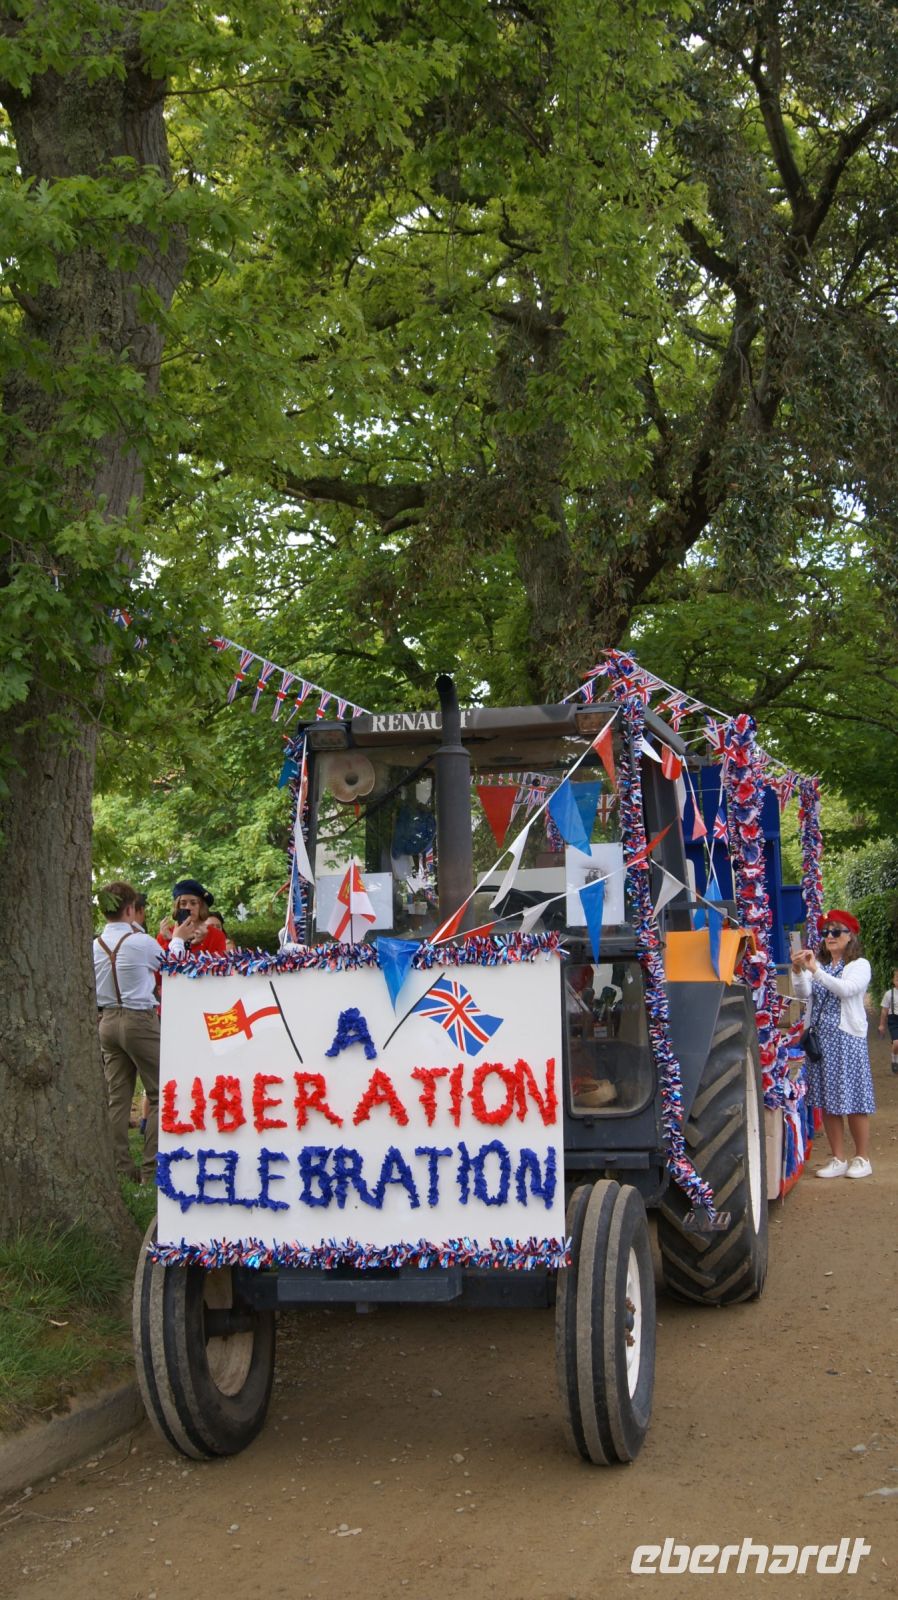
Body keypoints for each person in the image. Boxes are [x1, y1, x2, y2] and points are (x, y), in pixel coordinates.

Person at [94, 881, 185, 1183]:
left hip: (106, 1021)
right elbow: (173, 965)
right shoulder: (141, 941)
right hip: (139, 1020)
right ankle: (150, 1171)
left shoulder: (94, 945)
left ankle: (119, 1171)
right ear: (130, 909)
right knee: (161, 1094)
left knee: (117, 1099)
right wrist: (179, 939)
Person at [791, 909, 875, 1179]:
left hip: (847, 1040)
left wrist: (814, 969)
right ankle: (838, 1157)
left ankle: (862, 1158)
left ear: (850, 936)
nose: (830, 936)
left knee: (854, 1098)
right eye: (826, 932)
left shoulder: (859, 965)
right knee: (827, 1100)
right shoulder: (822, 966)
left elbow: (846, 989)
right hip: (821, 1041)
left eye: (836, 931)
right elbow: (804, 993)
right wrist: (798, 971)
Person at [157, 877, 227, 957]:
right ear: (177, 906)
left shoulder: (216, 935)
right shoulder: (165, 934)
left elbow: (218, 966)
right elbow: (159, 965)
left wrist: (198, 945)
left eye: (193, 903)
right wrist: (170, 941)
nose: (188, 907)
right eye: (183, 903)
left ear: (201, 906)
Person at [878, 968, 898, 1074]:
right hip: (894, 1020)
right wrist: (882, 1025)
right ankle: (894, 1059)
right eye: (897, 979)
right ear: (893, 981)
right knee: (896, 1043)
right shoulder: (889, 994)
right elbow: (884, 1010)